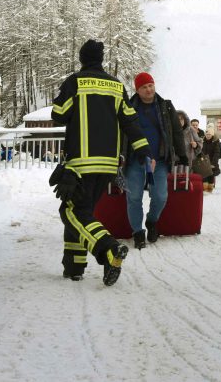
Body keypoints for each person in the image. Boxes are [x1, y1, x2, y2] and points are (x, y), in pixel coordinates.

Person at [51, 39, 153, 286]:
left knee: (71, 211)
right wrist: (143, 151)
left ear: (82, 59)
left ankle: (108, 249)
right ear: (101, 59)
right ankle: (74, 266)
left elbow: (58, 115)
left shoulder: (75, 82)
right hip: (107, 165)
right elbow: (130, 121)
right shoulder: (116, 86)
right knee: (83, 212)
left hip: (80, 163)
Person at [125, 71, 188, 249]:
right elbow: (121, 134)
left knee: (160, 196)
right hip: (135, 161)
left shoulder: (166, 106)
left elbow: (176, 131)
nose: (148, 89)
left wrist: (182, 155)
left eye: (150, 85)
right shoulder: (128, 107)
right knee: (134, 197)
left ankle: (152, 221)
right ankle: (137, 232)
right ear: (137, 90)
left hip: (160, 160)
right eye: (144, 87)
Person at [201, 123, 221, 192]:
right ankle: (204, 188)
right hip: (204, 162)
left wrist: (213, 163)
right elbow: (200, 152)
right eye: (207, 134)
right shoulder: (202, 142)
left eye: (209, 134)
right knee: (204, 175)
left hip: (212, 162)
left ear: (212, 134)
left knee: (211, 175)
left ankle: (210, 189)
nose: (208, 136)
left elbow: (217, 154)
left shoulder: (216, 143)